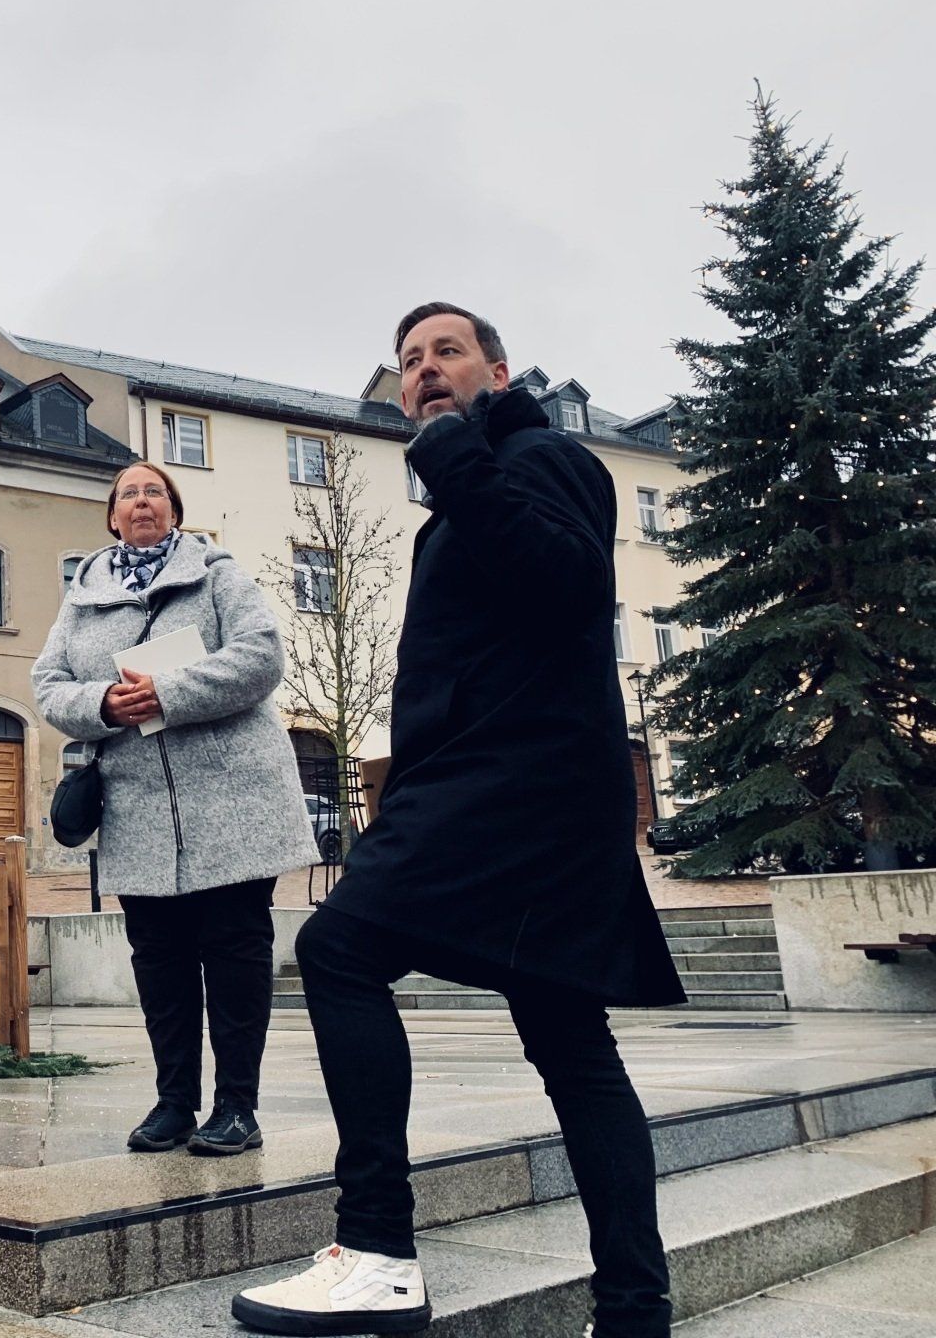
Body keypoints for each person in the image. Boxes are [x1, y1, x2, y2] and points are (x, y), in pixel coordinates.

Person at [231, 303, 684, 1338]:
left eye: (448, 352)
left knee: (338, 950)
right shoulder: (477, 482)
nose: (425, 370)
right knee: (571, 1042)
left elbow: (568, 585)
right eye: (409, 362)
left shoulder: (544, 457)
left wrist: (452, 460)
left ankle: (378, 1251)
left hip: (513, 785)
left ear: (499, 371)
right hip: (521, 791)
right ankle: (634, 1309)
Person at [33, 462, 317, 1158]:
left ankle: (238, 1106)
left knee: (234, 953)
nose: (141, 502)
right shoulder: (83, 597)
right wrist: (103, 703)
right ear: (112, 515)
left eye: (154, 492)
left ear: (175, 510)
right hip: (137, 807)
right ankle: (173, 1103)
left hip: (232, 798)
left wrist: (168, 691)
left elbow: (261, 657)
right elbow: (48, 684)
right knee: (159, 960)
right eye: (128, 494)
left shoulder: (218, 575)